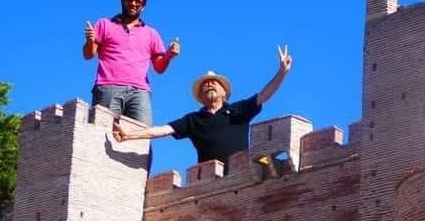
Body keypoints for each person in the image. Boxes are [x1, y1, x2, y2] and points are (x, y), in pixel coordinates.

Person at [113, 46, 292, 165]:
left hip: (243, 174)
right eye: (205, 85)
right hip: (209, 182)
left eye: (214, 83)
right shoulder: (193, 120)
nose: (209, 85)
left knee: (271, 164)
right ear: (200, 96)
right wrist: (129, 135)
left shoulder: (237, 110)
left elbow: (264, 95)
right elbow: (162, 130)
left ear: (224, 93)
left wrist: (282, 72)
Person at [84, 0, 180, 125]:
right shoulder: (104, 24)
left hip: (140, 92)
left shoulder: (151, 33)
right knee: (103, 132)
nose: (133, 4)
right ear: (122, 1)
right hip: (108, 86)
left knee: (141, 135)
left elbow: (159, 68)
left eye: (138, 2)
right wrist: (90, 41)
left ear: (143, 7)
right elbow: (88, 55)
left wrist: (168, 56)